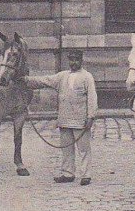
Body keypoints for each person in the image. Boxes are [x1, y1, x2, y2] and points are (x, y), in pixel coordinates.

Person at [23, 49, 98, 186]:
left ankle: (86, 175)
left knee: (83, 149)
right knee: (66, 149)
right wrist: (26, 80)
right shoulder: (62, 76)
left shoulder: (87, 77)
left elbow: (92, 98)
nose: (73, 62)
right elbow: (45, 81)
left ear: (81, 60)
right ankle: (68, 173)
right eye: (71, 60)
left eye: (76, 60)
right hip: (64, 119)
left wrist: (90, 117)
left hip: (80, 120)